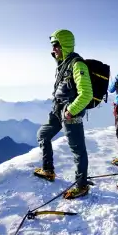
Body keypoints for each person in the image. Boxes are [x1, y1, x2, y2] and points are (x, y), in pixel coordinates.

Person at [34, 29, 93, 199]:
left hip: (70, 113)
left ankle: (81, 186)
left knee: (78, 151)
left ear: (64, 44)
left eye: (56, 45)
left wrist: (71, 111)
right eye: (53, 46)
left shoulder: (77, 64)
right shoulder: (63, 64)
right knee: (42, 135)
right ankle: (48, 169)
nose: (53, 50)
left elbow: (86, 94)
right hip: (57, 110)